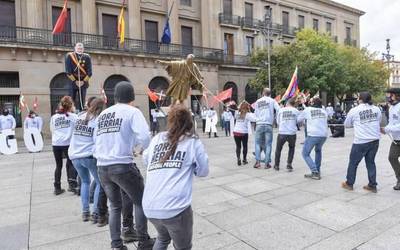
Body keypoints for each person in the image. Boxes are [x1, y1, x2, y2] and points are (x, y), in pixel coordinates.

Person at [95, 81, 154, 250]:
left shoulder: (104, 114)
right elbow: (144, 135)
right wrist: (140, 148)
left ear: (115, 97)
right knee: (140, 201)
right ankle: (143, 241)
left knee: (114, 206)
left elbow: (96, 139)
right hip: (121, 165)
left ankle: (116, 245)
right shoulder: (132, 112)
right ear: (132, 97)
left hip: (102, 167)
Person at [142, 104, 209, 250]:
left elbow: (146, 159)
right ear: (189, 122)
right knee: (183, 247)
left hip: (150, 206)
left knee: (162, 237)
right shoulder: (192, 141)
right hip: (175, 209)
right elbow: (203, 171)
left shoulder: (157, 138)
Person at [69, 98, 104, 221]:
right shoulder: (97, 120)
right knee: (100, 182)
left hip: (75, 156)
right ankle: (95, 211)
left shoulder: (79, 117)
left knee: (85, 182)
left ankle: (85, 212)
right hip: (88, 155)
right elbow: (97, 140)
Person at [341, 92, 381, 193]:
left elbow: (347, 124)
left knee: (353, 163)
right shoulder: (377, 109)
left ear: (360, 99)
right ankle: (372, 185)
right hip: (375, 140)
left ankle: (349, 183)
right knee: (371, 162)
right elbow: (379, 121)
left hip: (361, 141)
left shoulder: (355, 110)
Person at [50, 96, 78, 195]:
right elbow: (77, 129)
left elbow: (52, 130)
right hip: (68, 143)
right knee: (71, 163)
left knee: (58, 165)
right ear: (71, 105)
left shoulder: (54, 117)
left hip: (56, 143)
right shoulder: (73, 116)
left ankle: (57, 187)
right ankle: (72, 184)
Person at [298, 97, 328, 180]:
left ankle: (314, 172)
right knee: (318, 151)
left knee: (305, 153)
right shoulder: (324, 111)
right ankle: (317, 170)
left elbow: (298, 120)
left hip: (313, 134)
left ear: (312, 103)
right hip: (323, 135)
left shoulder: (308, 110)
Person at [253, 88, 280, 169]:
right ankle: (267, 163)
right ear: (270, 94)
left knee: (257, 143)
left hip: (259, 124)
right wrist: (275, 118)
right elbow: (278, 109)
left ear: (263, 93)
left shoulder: (258, 101)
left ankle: (257, 162)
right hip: (268, 124)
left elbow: (256, 113)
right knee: (268, 144)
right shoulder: (272, 101)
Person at [274, 98, 300, 172]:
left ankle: (276, 165)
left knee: (278, 149)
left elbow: (278, 121)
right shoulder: (296, 110)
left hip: (282, 132)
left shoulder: (281, 110)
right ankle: (289, 164)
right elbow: (298, 120)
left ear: (287, 103)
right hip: (292, 132)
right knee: (291, 148)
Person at [382, 88, 400, 190]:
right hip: (396, 140)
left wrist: (388, 128)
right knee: (392, 158)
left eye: (391, 95)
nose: (389, 97)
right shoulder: (392, 107)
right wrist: (386, 129)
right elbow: (392, 123)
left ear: (397, 95)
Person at [65, 42, 92, 111]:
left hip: (83, 82)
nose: (80, 49)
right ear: (75, 48)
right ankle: (70, 112)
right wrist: (75, 81)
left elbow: (90, 72)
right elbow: (68, 71)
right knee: (71, 99)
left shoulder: (87, 57)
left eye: (81, 48)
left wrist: (83, 81)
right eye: (78, 48)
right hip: (73, 82)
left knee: (82, 100)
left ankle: (82, 112)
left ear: (83, 49)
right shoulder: (70, 56)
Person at [233, 101, 255, 166]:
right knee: (245, 146)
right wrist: (250, 111)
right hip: (243, 132)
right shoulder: (247, 114)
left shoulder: (237, 113)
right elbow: (254, 119)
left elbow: (238, 107)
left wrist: (242, 104)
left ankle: (238, 158)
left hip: (236, 132)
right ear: (247, 107)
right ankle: (244, 160)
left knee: (238, 146)